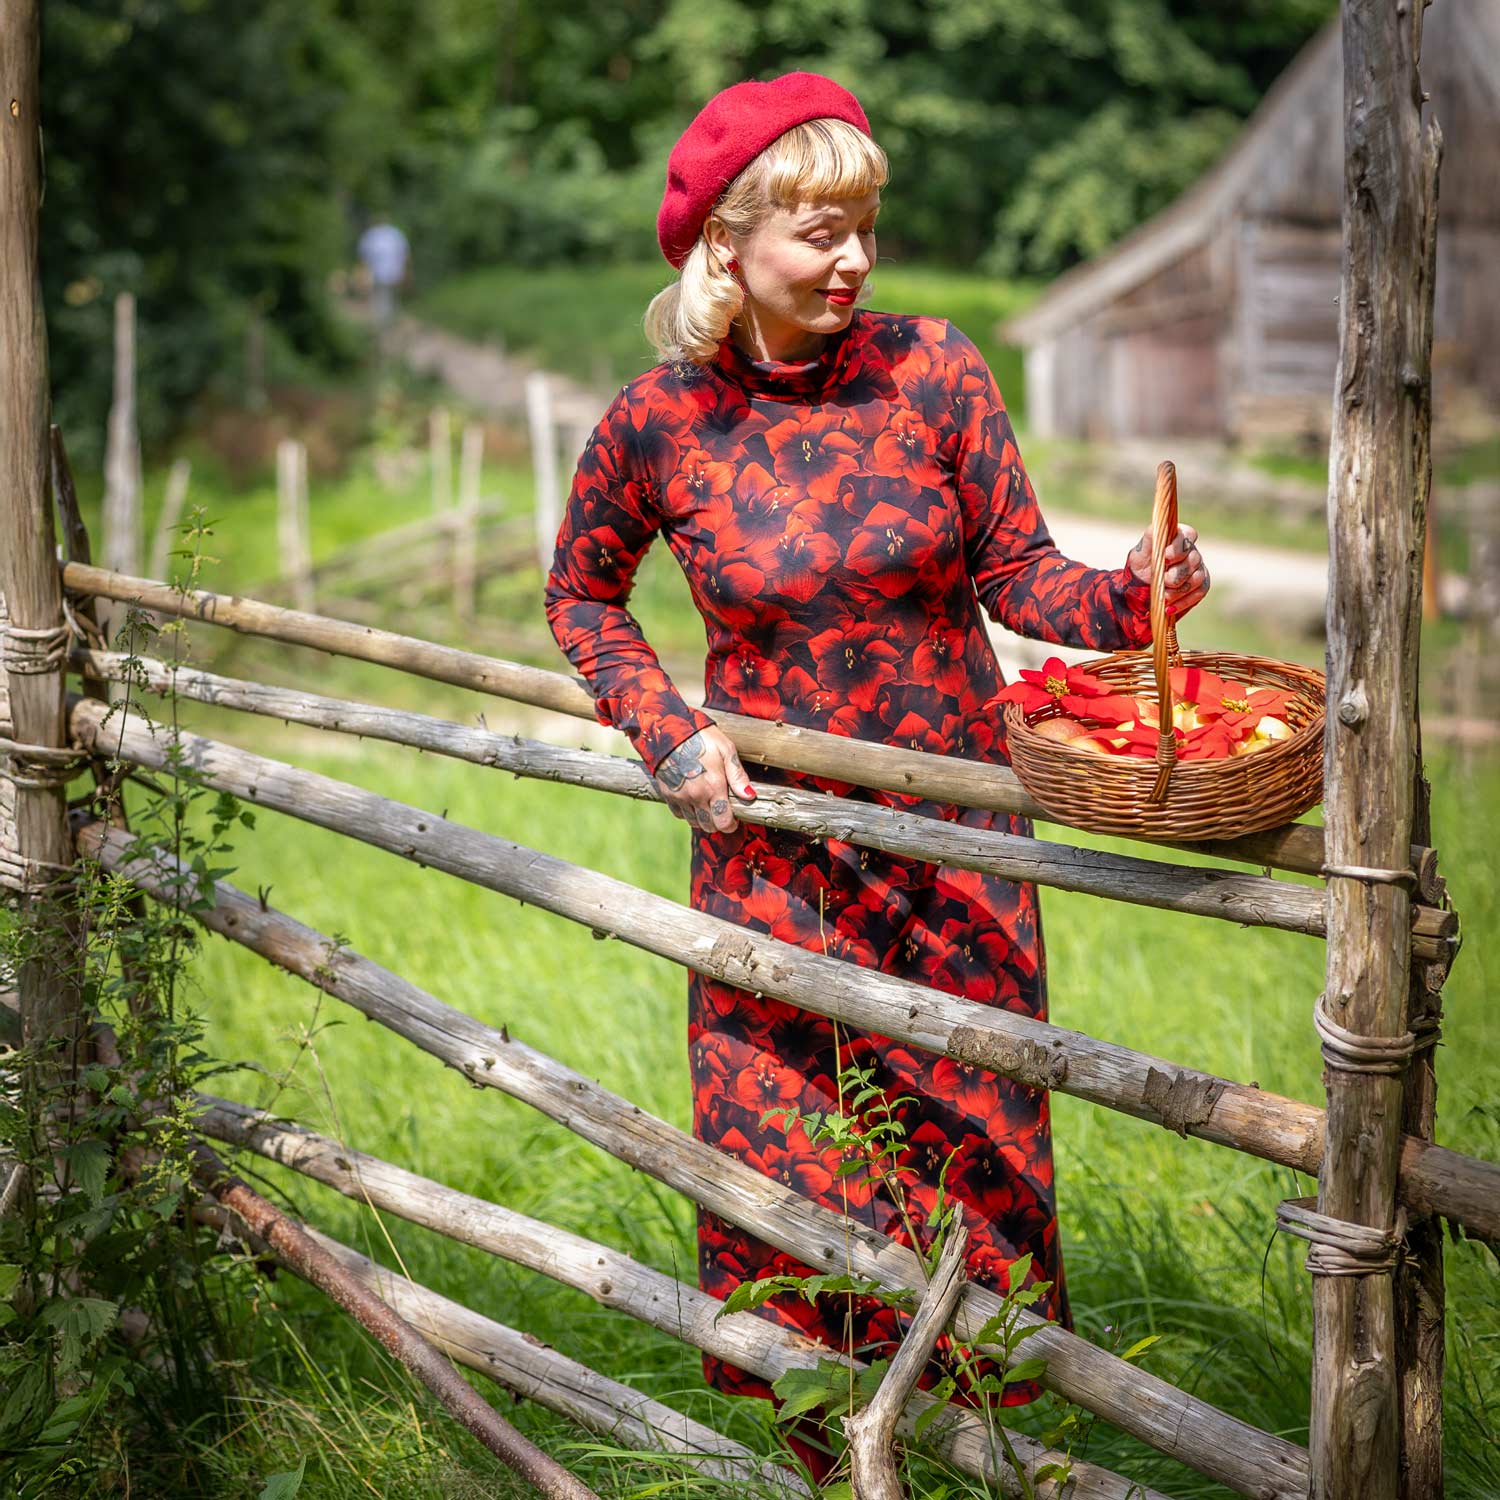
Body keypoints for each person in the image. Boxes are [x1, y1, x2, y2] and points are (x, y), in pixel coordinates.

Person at [545, 72, 1209, 1473]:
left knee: (976, 1160)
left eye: (864, 226)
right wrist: (665, 727)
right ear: (729, 245)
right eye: (820, 231)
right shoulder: (660, 419)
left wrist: (1133, 594)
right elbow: (582, 597)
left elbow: (1021, 576)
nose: (854, 258)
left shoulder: (936, 368)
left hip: (956, 849)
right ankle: (818, 1464)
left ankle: (992, 1465)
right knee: (791, 1172)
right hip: (773, 861)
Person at [356, 216, 411, 330]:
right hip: (391, 273)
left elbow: (363, 256)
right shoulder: (395, 234)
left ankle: (385, 322)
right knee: (388, 297)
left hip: (382, 273)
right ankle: (388, 322)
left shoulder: (372, 236)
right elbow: (405, 254)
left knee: (384, 297)